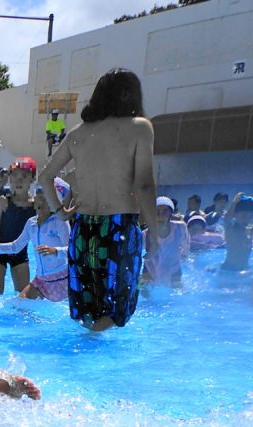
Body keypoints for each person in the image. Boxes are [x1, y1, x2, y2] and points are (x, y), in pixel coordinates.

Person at [40, 68, 158, 331]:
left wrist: (61, 213)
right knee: (116, 311)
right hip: (118, 229)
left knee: (87, 310)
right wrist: (156, 232)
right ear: (129, 95)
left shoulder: (78, 134)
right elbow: (145, 184)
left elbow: (46, 176)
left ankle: (83, 356)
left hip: (82, 230)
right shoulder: (139, 127)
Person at [0, 180, 71, 301]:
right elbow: (16, 246)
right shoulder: (31, 223)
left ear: (54, 203)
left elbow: (72, 249)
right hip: (41, 280)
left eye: (46, 198)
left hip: (61, 278)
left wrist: (56, 251)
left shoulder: (59, 222)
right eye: (39, 196)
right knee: (19, 304)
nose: (40, 200)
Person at [0, 157, 37, 294]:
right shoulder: (4, 202)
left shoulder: (36, 205)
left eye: (24, 176)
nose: (19, 181)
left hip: (20, 254)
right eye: (15, 176)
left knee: (23, 297)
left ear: (32, 179)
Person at [141, 196, 187, 288]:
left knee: (177, 294)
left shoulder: (180, 228)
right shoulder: (145, 234)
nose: (161, 215)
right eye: (157, 212)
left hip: (174, 268)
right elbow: (139, 256)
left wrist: (179, 256)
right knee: (145, 292)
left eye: (165, 211)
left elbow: (186, 248)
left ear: (171, 214)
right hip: (150, 269)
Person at [220, 194, 253, 272]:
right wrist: (234, 203)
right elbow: (227, 218)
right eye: (243, 216)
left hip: (244, 269)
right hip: (228, 270)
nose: (247, 219)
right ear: (235, 215)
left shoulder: (251, 230)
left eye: (250, 216)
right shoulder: (231, 229)